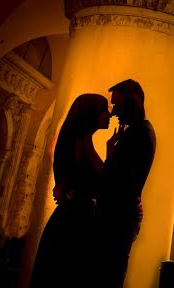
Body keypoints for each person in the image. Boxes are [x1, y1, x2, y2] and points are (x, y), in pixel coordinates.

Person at [30, 94, 111, 288]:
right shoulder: (81, 143)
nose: (109, 114)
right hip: (76, 224)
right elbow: (102, 180)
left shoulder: (79, 141)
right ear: (92, 115)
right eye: (104, 110)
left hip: (71, 221)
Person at [96, 79, 156, 288]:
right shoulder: (139, 132)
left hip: (117, 217)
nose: (113, 112)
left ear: (132, 103)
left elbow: (118, 181)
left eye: (117, 105)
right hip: (122, 215)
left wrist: (110, 154)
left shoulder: (138, 135)